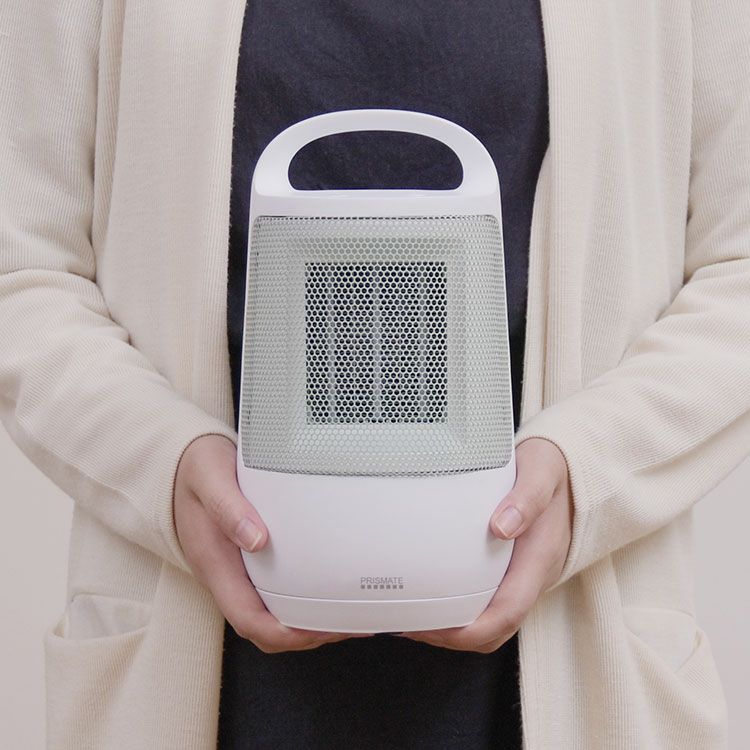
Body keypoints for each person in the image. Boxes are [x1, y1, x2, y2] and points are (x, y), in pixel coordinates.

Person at [0, 2, 747, 749]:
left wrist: (587, 475)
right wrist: (161, 465)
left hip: (564, 650)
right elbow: (25, 272)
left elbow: (736, 271)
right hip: (204, 645)